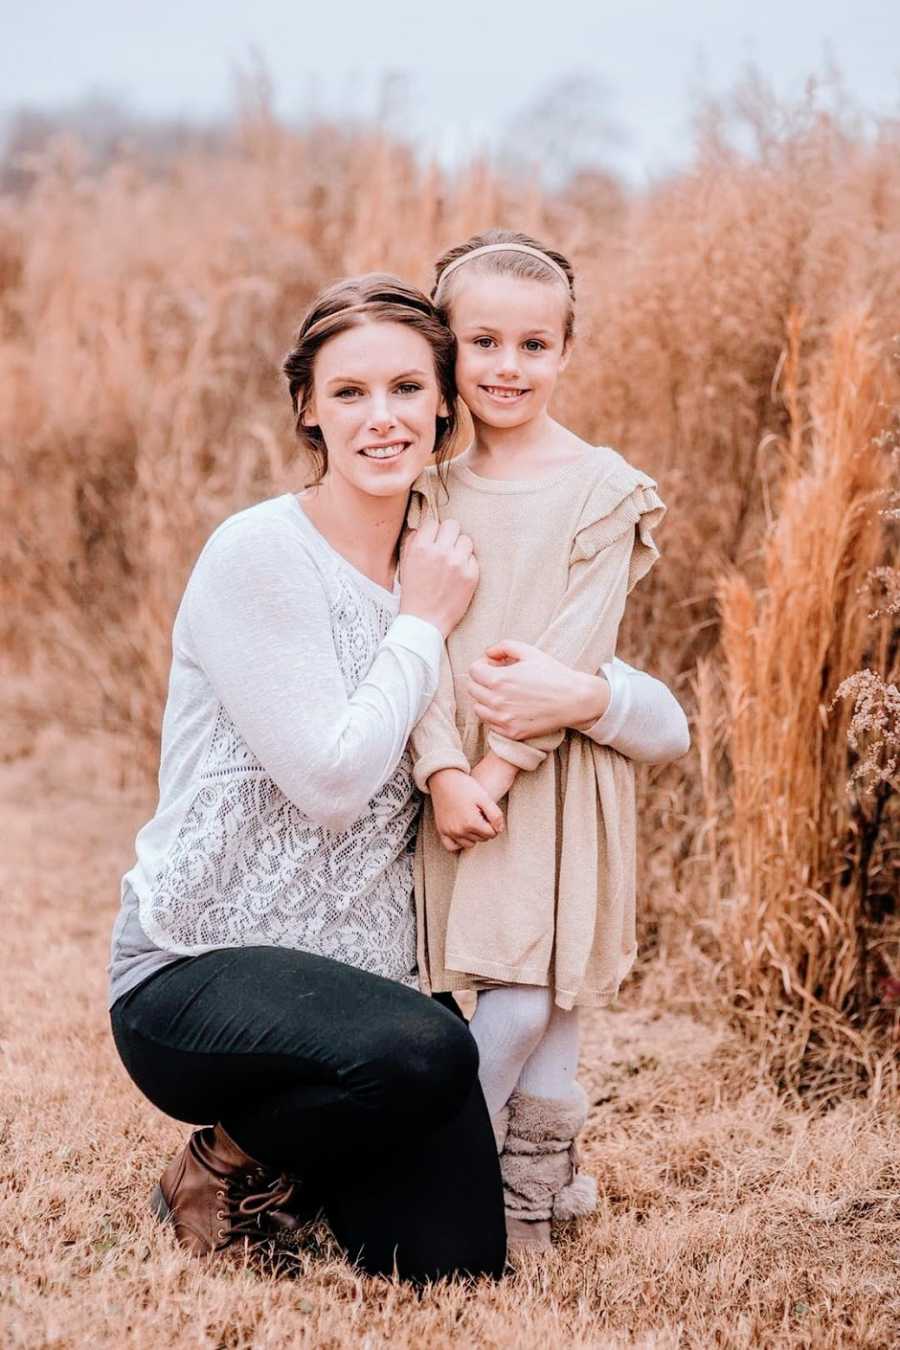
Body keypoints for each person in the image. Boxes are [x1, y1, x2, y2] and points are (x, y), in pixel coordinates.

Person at [108, 268, 686, 1283]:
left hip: (369, 1003)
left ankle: (308, 1181)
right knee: (435, 1051)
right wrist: (419, 621)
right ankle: (224, 1158)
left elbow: (636, 706)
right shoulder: (260, 555)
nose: (383, 419)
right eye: (350, 394)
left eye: (409, 390)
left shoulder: (450, 561)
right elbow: (332, 780)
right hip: (200, 974)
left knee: (453, 1263)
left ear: (445, 402)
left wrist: (591, 699)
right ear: (308, 411)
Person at [409, 230, 688, 1251]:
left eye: (534, 344)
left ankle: (510, 1200)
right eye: (482, 341)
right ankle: (463, 1195)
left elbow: (578, 646)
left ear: (567, 350)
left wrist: (492, 765)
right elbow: (419, 646)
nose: (506, 366)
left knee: (541, 1006)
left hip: (556, 781)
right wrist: (442, 768)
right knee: (519, 1004)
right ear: (448, 348)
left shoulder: (603, 487)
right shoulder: (432, 491)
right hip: (458, 784)